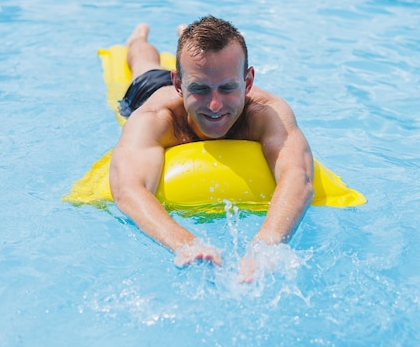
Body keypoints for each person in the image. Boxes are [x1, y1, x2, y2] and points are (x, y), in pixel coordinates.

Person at [109, 16, 314, 281]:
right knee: (143, 62)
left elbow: (298, 175)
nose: (215, 105)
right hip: (148, 89)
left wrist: (265, 244)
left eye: (228, 88)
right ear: (179, 85)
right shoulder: (157, 117)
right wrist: (186, 242)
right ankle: (138, 38)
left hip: (194, 73)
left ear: (248, 82)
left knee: (197, 59)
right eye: (200, 89)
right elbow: (128, 189)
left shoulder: (266, 113)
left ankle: (185, 36)